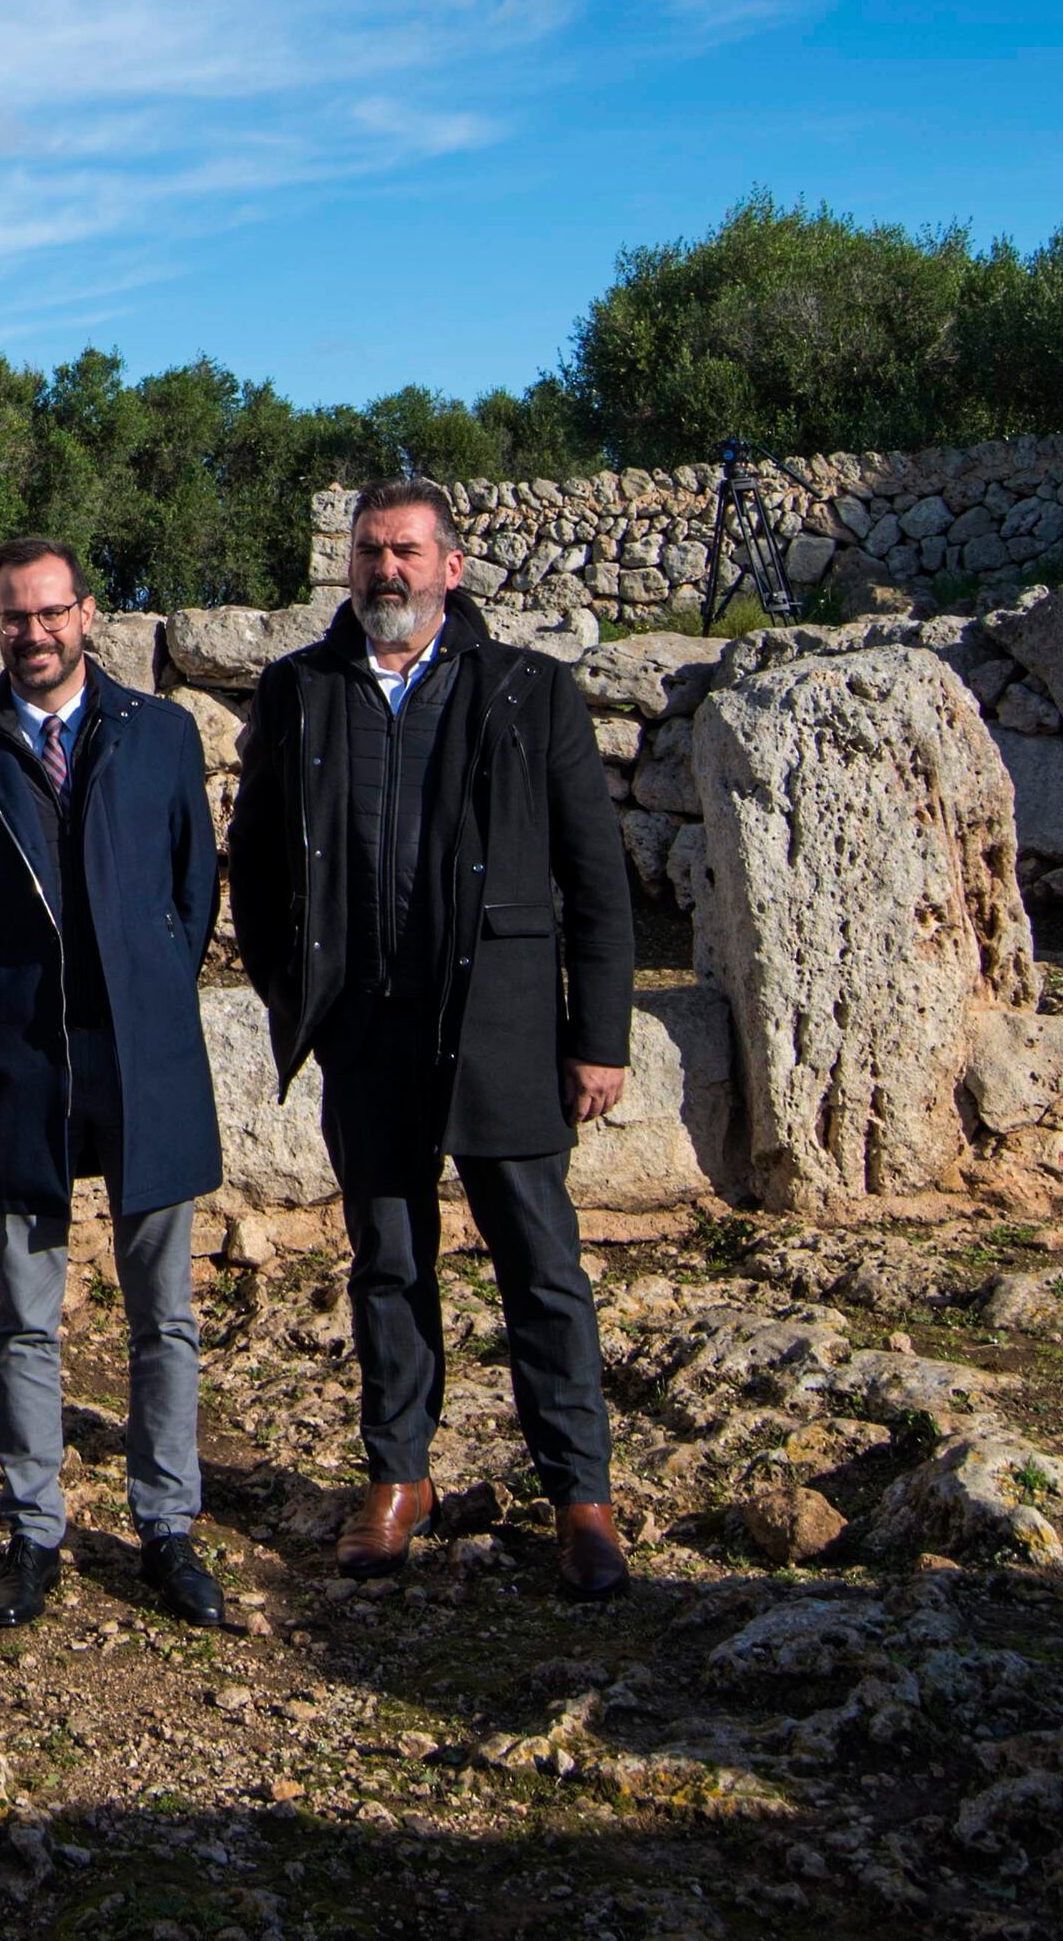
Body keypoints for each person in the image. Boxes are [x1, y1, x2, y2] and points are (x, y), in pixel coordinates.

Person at [229, 479, 640, 1597]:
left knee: (540, 1268)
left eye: (406, 550)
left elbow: (593, 874)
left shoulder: (525, 688)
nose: (385, 571)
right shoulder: (301, 688)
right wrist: (295, 991)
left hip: (500, 1023)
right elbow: (257, 862)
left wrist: (594, 1034)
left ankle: (579, 1496)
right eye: (368, 552)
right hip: (366, 1030)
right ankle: (396, 1477)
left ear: (450, 566)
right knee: (387, 1263)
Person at [0, 535, 231, 1629]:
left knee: (165, 1314)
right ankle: (32, 1528)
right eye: (13, 615)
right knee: (26, 1316)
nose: (34, 632)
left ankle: (167, 1524)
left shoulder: (161, 733)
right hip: (25, 1057)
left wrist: (144, 978)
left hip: (144, 1053)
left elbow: (192, 886)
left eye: (50, 611)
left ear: (87, 612)